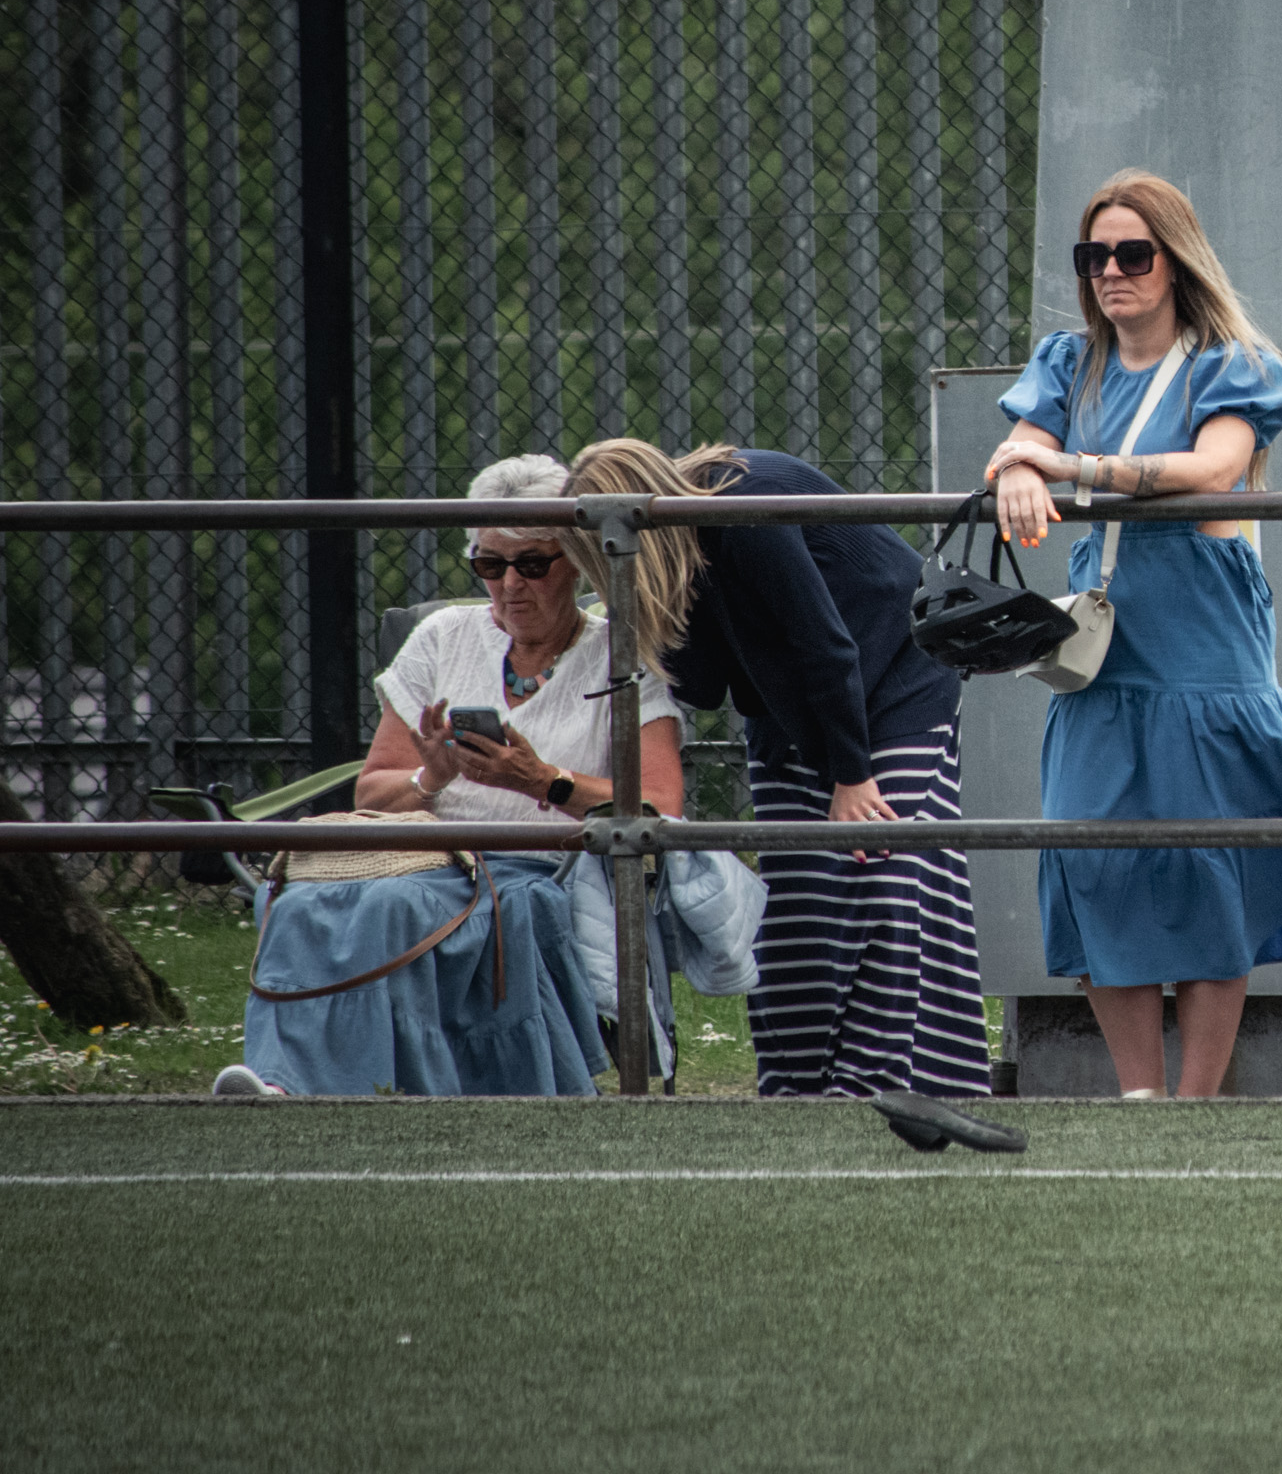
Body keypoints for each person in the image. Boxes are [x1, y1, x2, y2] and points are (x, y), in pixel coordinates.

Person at [985, 170, 1282, 1099]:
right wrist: (1019, 465)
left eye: (1133, 254)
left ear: (1176, 262)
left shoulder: (1233, 363)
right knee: (1092, 858)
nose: (1111, 273)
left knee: (1210, 863)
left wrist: (1069, 466)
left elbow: (1216, 467)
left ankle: (1197, 1098)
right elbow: (1020, 443)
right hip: (1102, 655)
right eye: (1093, 256)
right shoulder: (1067, 362)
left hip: (1203, 642)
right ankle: (1140, 1095)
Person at [219, 454, 684, 1098]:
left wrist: (541, 780)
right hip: (427, 851)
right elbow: (374, 791)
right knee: (304, 895)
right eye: (490, 565)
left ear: (576, 561)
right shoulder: (442, 638)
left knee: (386, 904)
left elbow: (661, 805)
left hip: (536, 866)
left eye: (532, 563)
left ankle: (327, 1086)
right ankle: (284, 1080)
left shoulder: (620, 651)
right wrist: (430, 778)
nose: (509, 585)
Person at [565, 438, 990, 1100]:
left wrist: (852, 775)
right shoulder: (684, 550)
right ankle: (793, 1082)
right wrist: (645, 620)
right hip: (790, 705)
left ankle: (881, 1083)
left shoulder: (740, 503)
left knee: (885, 881)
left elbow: (823, 642)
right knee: (794, 906)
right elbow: (705, 685)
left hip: (895, 677)